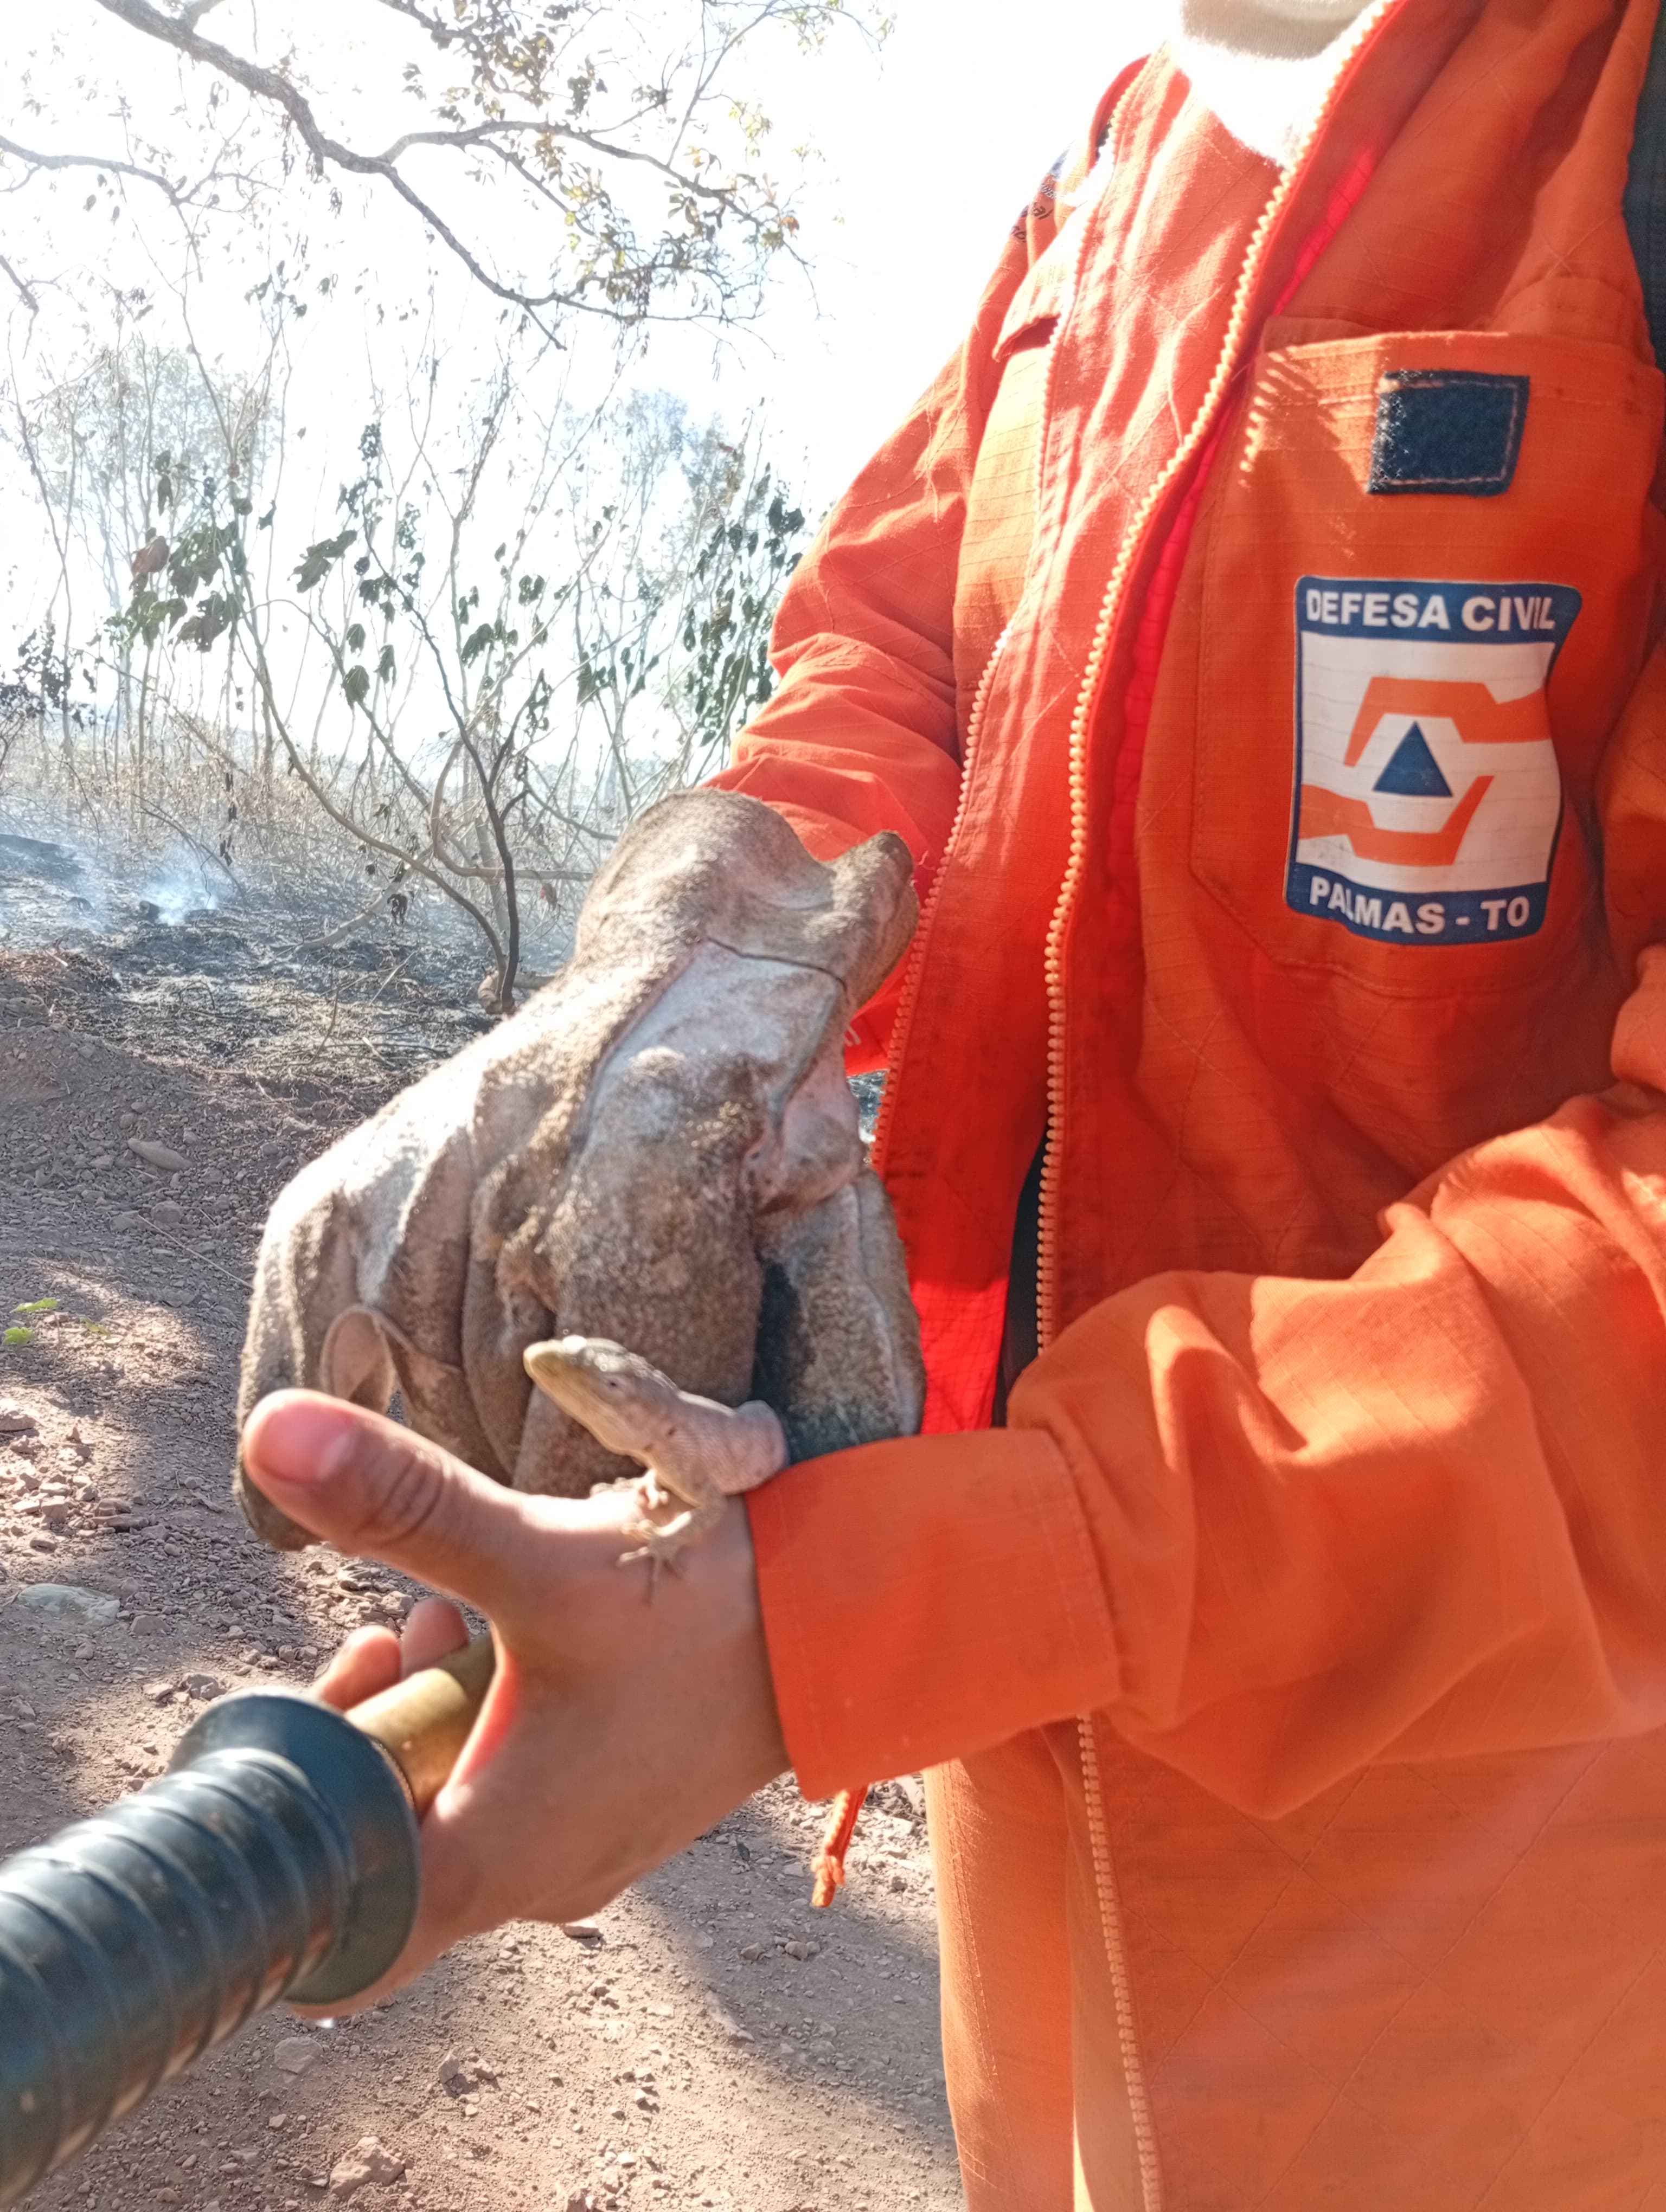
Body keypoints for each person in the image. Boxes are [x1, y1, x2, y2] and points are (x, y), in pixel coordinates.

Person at [240, 0, 1666, 2202]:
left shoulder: (1621, 132)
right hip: (1033, 1795)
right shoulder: (1126, 160)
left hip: (1505, 1940)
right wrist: (693, 982)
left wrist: (884, 1616)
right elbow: (900, 647)